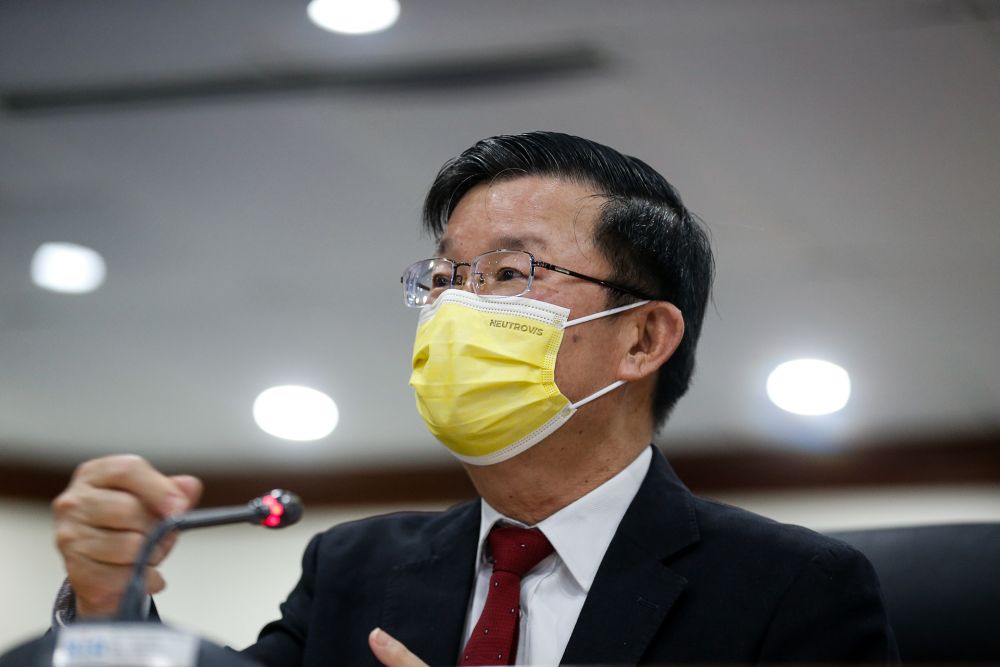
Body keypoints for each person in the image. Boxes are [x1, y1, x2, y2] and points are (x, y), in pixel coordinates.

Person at [49, 132, 898, 666]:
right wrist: (107, 604)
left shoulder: (793, 589)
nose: (456, 308)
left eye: (508, 273)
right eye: (444, 277)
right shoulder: (355, 567)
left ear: (642, 338)